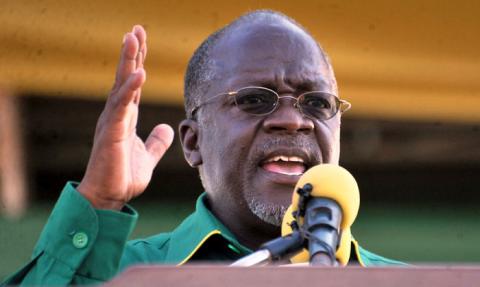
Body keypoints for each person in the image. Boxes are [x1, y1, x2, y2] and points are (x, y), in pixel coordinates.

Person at [2, 10, 404, 286]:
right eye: (254, 99)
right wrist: (98, 200)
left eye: (317, 103)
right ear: (193, 142)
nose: (294, 120)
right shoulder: (125, 276)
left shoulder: (418, 281)